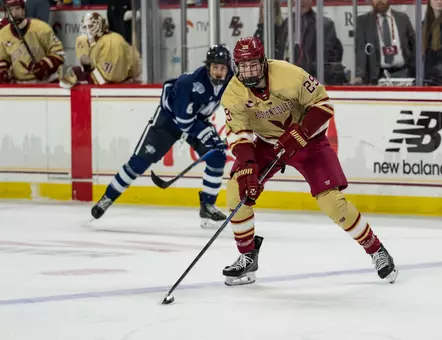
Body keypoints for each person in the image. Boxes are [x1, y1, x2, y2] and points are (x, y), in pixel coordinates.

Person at [220, 36, 398, 286]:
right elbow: (239, 135)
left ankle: (376, 249)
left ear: (263, 61)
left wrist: (300, 134)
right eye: (243, 65)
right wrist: (249, 169)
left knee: (332, 203)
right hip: (267, 145)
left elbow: (323, 105)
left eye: (253, 64)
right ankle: (247, 256)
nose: (248, 70)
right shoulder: (233, 93)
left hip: (309, 142)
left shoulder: (288, 75)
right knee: (237, 190)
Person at [91, 44, 234, 228]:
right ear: (208, 66)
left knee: (217, 157)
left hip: (196, 119)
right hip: (169, 121)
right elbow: (184, 121)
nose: (218, 72)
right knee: (138, 163)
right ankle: (107, 198)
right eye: (215, 67)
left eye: (222, 68)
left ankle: (208, 205)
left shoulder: (232, 81)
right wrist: (208, 135)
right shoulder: (189, 83)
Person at [59, 12, 140, 87]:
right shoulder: (86, 41)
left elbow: (108, 79)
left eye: (91, 26)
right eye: (85, 27)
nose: (87, 30)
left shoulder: (112, 41)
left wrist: (80, 74)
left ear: (101, 25)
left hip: (137, 81)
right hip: (122, 82)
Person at [0, 0, 65, 84]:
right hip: (18, 84)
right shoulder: (3, 34)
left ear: (24, 10)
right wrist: (3, 72)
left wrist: (44, 66)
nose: (14, 14)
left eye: (17, 9)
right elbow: (2, 58)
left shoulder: (41, 28)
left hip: (46, 82)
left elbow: (59, 53)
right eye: (11, 10)